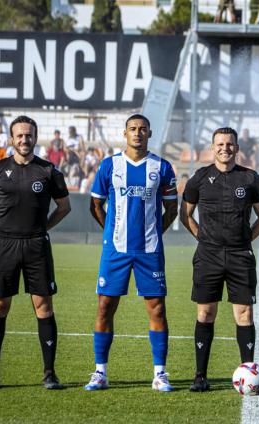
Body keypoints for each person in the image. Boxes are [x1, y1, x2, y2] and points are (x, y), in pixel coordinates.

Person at [0, 115, 71, 390]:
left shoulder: (49, 171)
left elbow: (64, 207)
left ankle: (49, 373)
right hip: (5, 246)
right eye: (19, 135)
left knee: (43, 307)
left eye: (29, 135)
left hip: (37, 245)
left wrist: (43, 227)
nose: (24, 139)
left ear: (35, 138)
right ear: (11, 139)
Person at [84, 114, 178, 392]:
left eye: (143, 129)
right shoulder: (109, 166)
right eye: (133, 129)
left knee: (157, 309)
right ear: (125, 133)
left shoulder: (162, 167)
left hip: (149, 250)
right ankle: (100, 372)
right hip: (116, 251)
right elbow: (96, 205)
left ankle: (160, 373)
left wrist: (155, 232)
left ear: (150, 133)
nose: (137, 133)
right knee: (105, 307)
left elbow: (171, 208)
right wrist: (111, 233)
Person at [180, 127, 259, 392]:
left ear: (237, 148)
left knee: (244, 314)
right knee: (205, 313)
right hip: (208, 255)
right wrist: (203, 239)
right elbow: (186, 216)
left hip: (240, 255)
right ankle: (200, 376)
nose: (225, 148)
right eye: (220, 144)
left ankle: (249, 371)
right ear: (212, 147)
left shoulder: (251, 179)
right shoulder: (199, 178)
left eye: (230, 144)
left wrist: (246, 241)